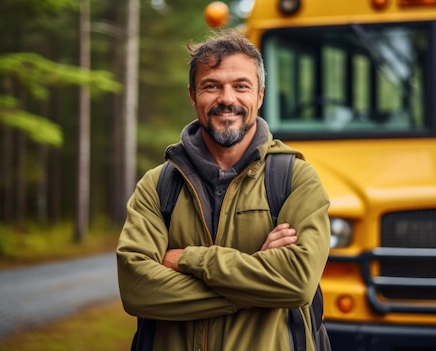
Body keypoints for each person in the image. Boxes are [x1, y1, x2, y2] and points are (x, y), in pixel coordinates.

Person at [116, 29, 330, 351]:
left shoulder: (295, 180)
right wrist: (257, 283)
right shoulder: (157, 186)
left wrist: (190, 259)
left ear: (259, 95)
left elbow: (297, 282)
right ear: (192, 96)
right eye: (211, 86)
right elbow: (137, 289)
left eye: (241, 86)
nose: (226, 99)